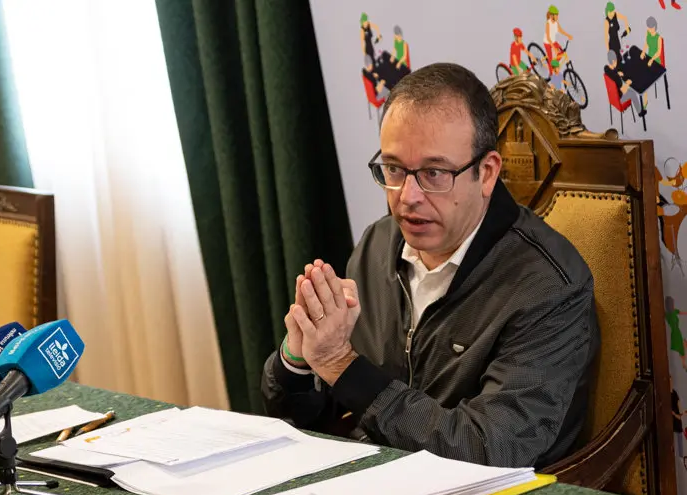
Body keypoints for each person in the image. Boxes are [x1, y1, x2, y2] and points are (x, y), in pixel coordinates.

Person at [261, 63, 600, 469]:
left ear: (487, 173)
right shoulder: (377, 243)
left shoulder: (546, 285)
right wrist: (299, 357)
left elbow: (491, 449)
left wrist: (342, 366)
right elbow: (315, 417)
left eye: (434, 173)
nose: (408, 197)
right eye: (394, 169)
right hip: (370, 485)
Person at [605, 51, 647, 117]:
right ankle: (640, 112)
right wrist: (627, 83)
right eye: (616, 60)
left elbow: (612, 73)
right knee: (632, 93)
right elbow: (623, 90)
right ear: (613, 61)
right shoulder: (617, 79)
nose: (617, 62)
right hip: (619, 100)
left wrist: (617, 73)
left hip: (612, 98)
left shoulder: (606, 69)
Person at [544, 5, 573, 74]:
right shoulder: (548, 24)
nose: (557, 17)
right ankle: (551, 74)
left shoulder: (556, 23)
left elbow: (560, 30)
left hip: (553, 41)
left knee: (562, 52)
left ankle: (555, 63)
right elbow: (548, 37)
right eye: (556, 15)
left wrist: (568, 35)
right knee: (550, 59)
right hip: (547, 43)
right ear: (551, 16)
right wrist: (553, 48)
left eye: (557, 15)